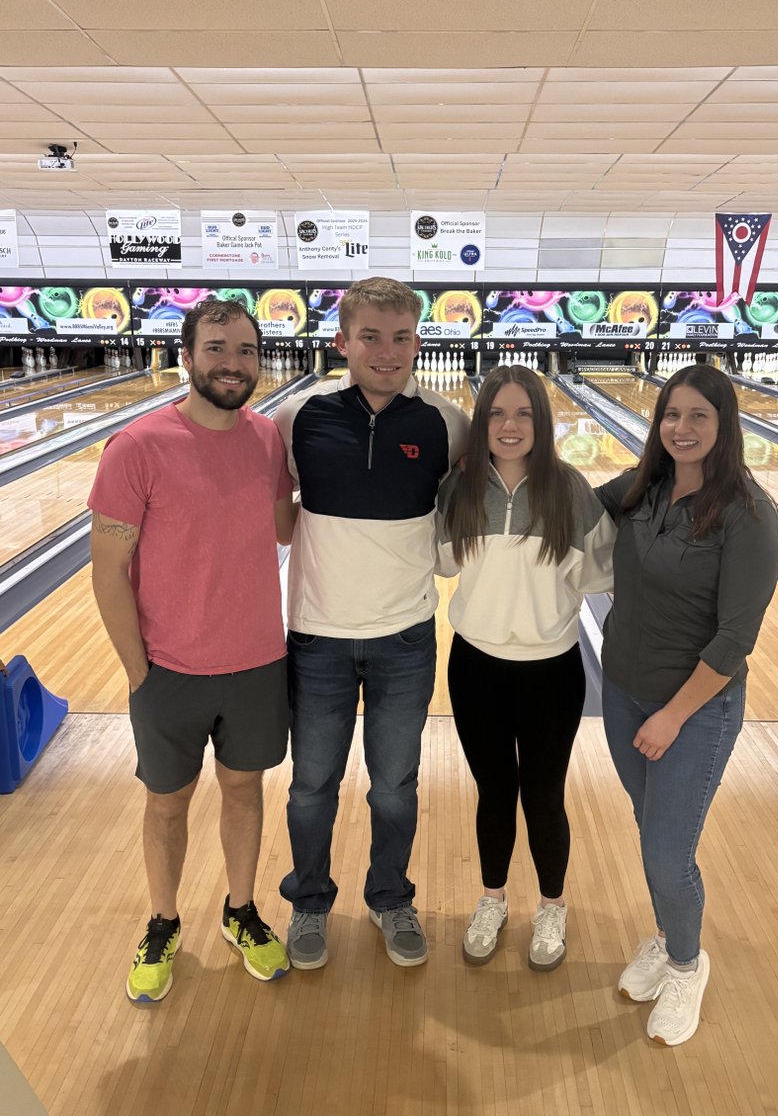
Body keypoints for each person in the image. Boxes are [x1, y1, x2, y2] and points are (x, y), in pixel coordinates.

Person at [89, 298, 295, 1003]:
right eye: (216, 348)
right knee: (167, 804)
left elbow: (285, 529)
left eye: (244, 350)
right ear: (187, 355)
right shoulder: (138, 447)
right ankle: (163, 921)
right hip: (169, 671)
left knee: (244, 791)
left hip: (258, 664)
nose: (231, 364)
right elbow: (106, 569)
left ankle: (240, 911)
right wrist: (137, 669)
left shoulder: (269, 439)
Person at [273, 277, 469, 970]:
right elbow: (272, 510)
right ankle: (308, 902)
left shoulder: (446, 422)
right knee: (310, 784)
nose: (387, 351)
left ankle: (391, 897)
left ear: (419, 340)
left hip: (406, 637)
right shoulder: (297, 417)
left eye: (401, 337)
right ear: (342, 341)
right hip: (319, 635)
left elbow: (466, 516)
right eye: (371, 336)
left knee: (395, 784)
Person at [595, 364, 778, 1046]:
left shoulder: (747, 515)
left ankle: (684, 963)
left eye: (699, 415)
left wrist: (673, 714)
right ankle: (670, 935)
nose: (682, 427)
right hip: (621, 693)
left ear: (723, 424)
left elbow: (737, 636)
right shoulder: (644, 488)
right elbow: (577, 505)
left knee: (669, 852)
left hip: (694, 711)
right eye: (672, 414)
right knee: (652, 836)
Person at [436, 364, 615, 969]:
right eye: (496, 414)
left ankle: (553, 905)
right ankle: (492, 899)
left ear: (542, 421)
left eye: (524, 414)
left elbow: (602, 573)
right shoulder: (458, 492)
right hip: (476, 668)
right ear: (481, 422)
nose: (509, 426)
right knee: (494, 791)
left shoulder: (569, 491)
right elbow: (439, 563)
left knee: (543, 794)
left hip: (551, 673)